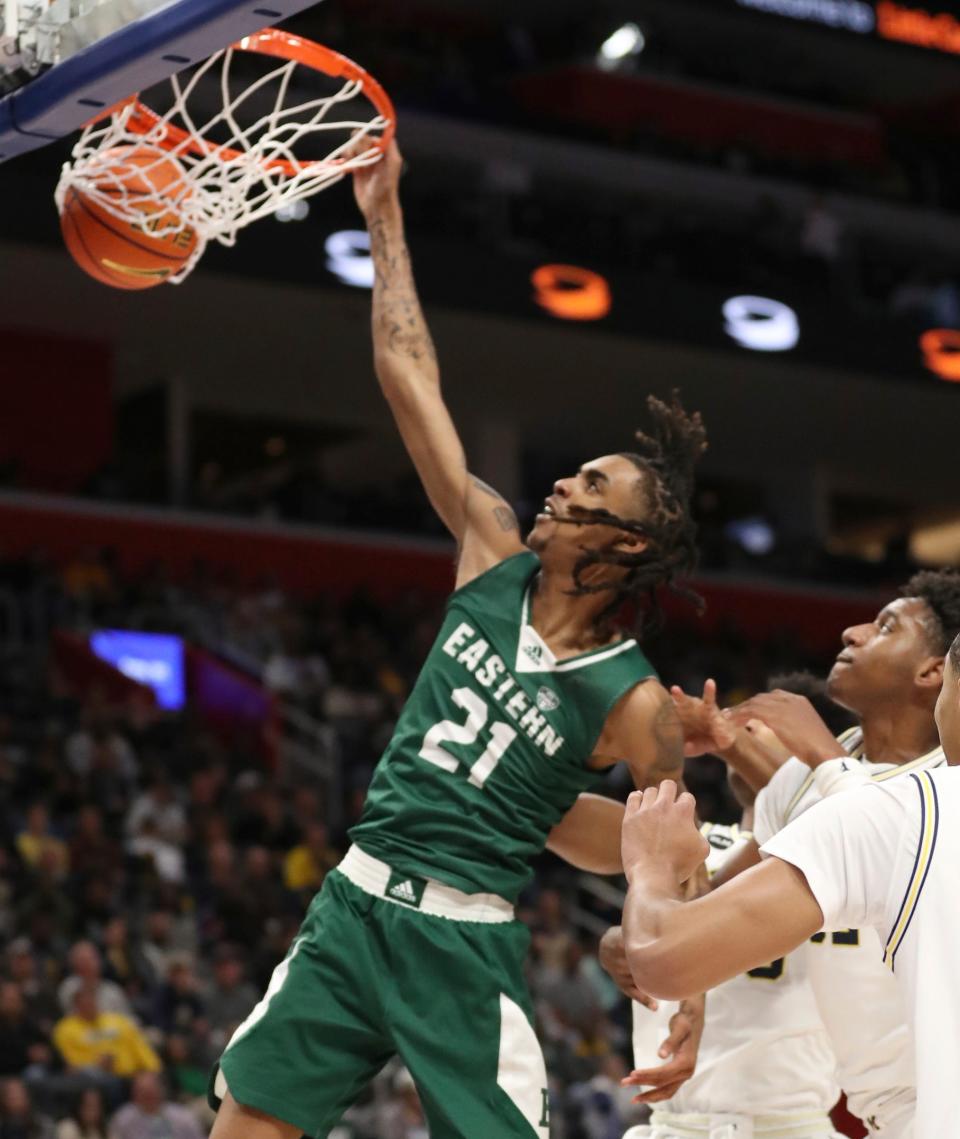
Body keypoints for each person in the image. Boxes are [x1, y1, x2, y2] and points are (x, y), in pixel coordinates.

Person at [208, 138, 708, 1139]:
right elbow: (406, 374)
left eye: (591, 486)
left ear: (625, 543)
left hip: (462, 939)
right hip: (352, 906)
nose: (562, 483)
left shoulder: (637, 703)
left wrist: (690, 994)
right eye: (574, 472)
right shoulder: (489, 548)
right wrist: (384, 215)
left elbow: (666, 861)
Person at [619, 628, 960, 1139]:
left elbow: (662, 954)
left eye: (888, 625)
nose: (856, 631)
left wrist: (650, 866)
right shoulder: (872, 815)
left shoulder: (908, 811)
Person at [611, 766, 842, 1139]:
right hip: (676, 1125)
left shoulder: (838, 841)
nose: (750, 723)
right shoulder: (680, 837)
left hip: (795, 1122)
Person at [52, 987, 161, 1081]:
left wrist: (152, 1069)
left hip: (134, 1075)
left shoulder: (118, 1021)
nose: (90, 1005)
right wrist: (96, 1065)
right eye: (84, 1003)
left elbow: (139, 1046)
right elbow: (71, 1062)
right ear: (76, 1006)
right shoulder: (65, 1029)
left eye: (92, 1001)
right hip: (96, 1078)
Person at [108, 1073, 205, 1139]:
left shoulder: (183, 1117)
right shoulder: (123, 1119)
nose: (148, 1098)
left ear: (161, 1091)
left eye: (151, 1093)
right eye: (143, 1093)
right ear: (134, 1094)